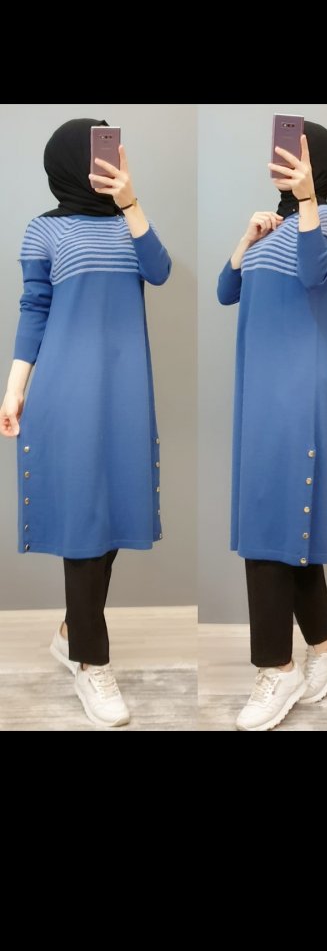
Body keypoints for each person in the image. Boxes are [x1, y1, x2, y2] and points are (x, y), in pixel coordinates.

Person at [0, 119, 171, 728]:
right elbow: (34, 308)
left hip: (125, 390)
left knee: (113, 513)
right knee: (82, 522)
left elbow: (160, 271)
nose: (111, 160)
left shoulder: (130, 221)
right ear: (71, 162)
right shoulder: (44, 230)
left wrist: (131, 201)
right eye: (99, 152)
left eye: (115, 150)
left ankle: (74, 629)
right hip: (66, 390)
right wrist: (14, 389)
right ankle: (92, 664)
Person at [218, 121, 327, 731]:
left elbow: (311, 274)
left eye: (295, 155)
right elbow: (226, 290)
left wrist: (305, 201)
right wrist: (246, 239)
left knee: (269, 525)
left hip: (296, 392)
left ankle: (276, 669)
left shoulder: (325, 221)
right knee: (278, 522)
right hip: (259, 392)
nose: (281, 161)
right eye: (280, 154)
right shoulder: (272, 224)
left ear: (317, 164)